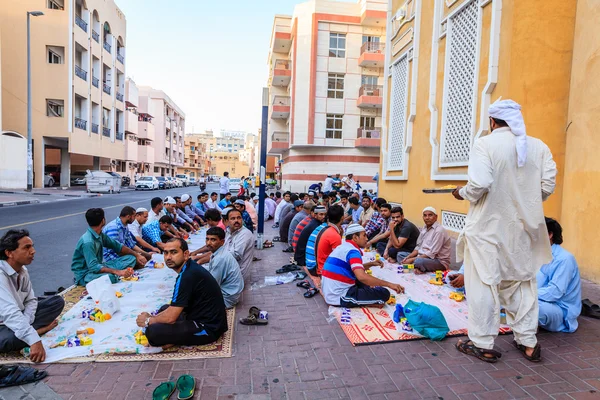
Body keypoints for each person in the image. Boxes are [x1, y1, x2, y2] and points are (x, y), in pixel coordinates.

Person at [452, 99, 557, 363]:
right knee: (521, 284)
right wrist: (524, 199)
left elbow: (480, 183)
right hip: (522, 230)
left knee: (485, 285)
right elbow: (546, 188)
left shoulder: (485, 144)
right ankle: (528, 342)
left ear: (492, 121)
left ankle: (483, 343)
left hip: (487, 229)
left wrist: (461, 193)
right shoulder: (539, 146)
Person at [136, 239, 228, 347]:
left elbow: (171, 318)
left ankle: (174, 339)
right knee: (164, 309)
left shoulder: (187, 276)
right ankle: (174, 336)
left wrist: (148, 320)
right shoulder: (188, 269)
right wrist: (154, 319)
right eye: (166, 253)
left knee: (153, 332)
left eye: (174, 252)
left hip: (209, 328)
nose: (168, 257)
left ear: (185, 254)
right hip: (197, 315)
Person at [0, 230, 65, 362]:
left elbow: (31, 300)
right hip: (4, 322)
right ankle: (40, 330)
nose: (33, 251)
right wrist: (34, 339)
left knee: (57, 301)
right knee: (7, 340)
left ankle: (27, 331)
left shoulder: (23, 270)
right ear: (9, 253)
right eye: (27, 247)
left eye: (32, 246)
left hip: (20, 315)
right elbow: (9, 312)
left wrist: (26, 321)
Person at [321, 224, 404, 307]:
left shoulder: (343, 247)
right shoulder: (353, 251)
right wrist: (390, 284)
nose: (367, 239)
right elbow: (361, 276)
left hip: (330, 291)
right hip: (337, 296)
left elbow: (350, 268)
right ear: (355, 238)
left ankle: (367, 298)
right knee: (384, 293)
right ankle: (371, 302)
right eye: (364, 235)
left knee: (367, 283)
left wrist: (370, 264)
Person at [71, 208, 145, 285]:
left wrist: (136, 255)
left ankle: (119, 274)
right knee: (110, 277)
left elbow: (118, 247)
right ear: (103, 220)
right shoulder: (88, 241)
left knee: (131, 258)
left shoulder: (100, 235)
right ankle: (118, 275)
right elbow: (93, 267)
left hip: (99, 266)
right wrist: (117, 272)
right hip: (86, 274)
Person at [537, 217, 581, 333]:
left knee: (533, 308)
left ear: (549, 235)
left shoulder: (564, 259)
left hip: (559, 309)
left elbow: (554, 293)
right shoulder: (535, 254)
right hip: (537, 298)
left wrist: (525, 295)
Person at [202, 227, 244, 309]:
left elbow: (212, 286)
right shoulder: (220, 252)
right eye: (207, 239)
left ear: (222, 242)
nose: (209, 243)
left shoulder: (220, 258)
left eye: (213, 240)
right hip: (231, 294)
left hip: (227, 299)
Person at [401, 207, 451, 273]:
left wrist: (412, 259)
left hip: (438, 261)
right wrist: (408, 257)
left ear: (436, 217)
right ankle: (417, 268)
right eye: (425, 215)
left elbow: (432, 253)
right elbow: (418, 247)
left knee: (418, 261)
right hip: (422, 257)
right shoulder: (424, 228)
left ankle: (416, 267)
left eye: (430, 215)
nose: (427, 218)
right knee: (400, 255)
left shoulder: (439, 231)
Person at [306, 205, 344, 276]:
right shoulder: (333, 234)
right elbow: (338, 259)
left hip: (313, 264)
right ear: (342, 218)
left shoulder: (324, 227)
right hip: (317, 268)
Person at [223, 209, 254, 282]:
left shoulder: (245, 233)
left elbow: (235, 255)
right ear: (226, 221)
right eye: (233, 218)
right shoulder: (228, 231)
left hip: (236, 276)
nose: (236, 220)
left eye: (239, 218)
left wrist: (212, 257)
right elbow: (221, 249)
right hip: (229, 271)